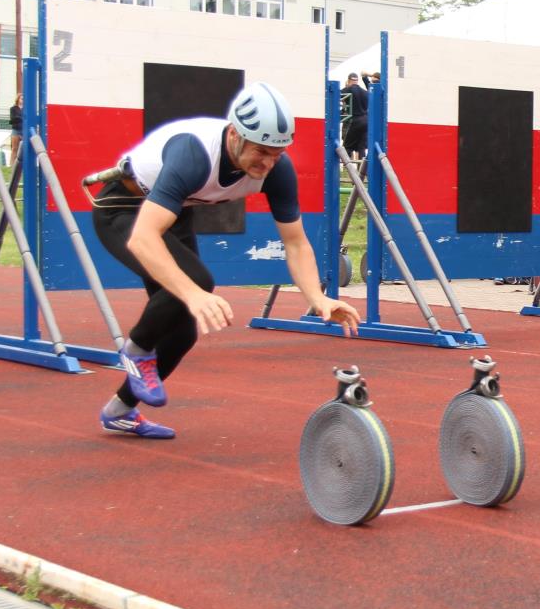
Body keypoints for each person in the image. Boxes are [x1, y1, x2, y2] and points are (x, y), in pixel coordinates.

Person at [90, 82, 360, 438]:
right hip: (123, 210)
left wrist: (317, 297)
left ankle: (119, 411)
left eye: (278, 153)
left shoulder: (277, 169)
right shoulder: (195, 153)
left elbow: (295, 243)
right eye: (262, 151)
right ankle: (137, 350)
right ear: (235, 134)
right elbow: (143, 239)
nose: (269, 162)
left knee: (184, 329)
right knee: (196, 285)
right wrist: (193, 293)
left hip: (174, 212)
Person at [340, 72, 369, 161]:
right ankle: (362, 173)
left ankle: (347, 170)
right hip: (365, 121)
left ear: (349, 81)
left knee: (347, 147)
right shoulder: (365, 93)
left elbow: (336, 94)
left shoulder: (348, 90)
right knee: (361, 148)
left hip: (354, 121)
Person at [7, 98, 23, 167]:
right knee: (14, 148)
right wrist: (20, 118)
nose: (23, 100)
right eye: (22, 98)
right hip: (16, 129)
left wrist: (18, 118)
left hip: (24, 130)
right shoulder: (13, 108)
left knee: (24, 148)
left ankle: (22, 165)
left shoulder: (26, 109)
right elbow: (12, 119)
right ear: (18, 99)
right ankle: (12, 164)